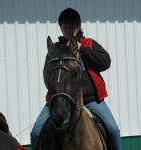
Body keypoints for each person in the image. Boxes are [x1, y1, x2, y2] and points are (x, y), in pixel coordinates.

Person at [30, 8, 122, 150]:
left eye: (71, 26)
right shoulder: (54, 49)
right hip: (60, 99)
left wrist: (82, 49)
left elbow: (105, 62)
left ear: (78, 27)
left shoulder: (89, 43)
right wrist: (56, 94)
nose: (68, 30)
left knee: (113, 130)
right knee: (36, 133)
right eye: (65, 27)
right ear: (61, 28)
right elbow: (47, 74)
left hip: (91, 100)